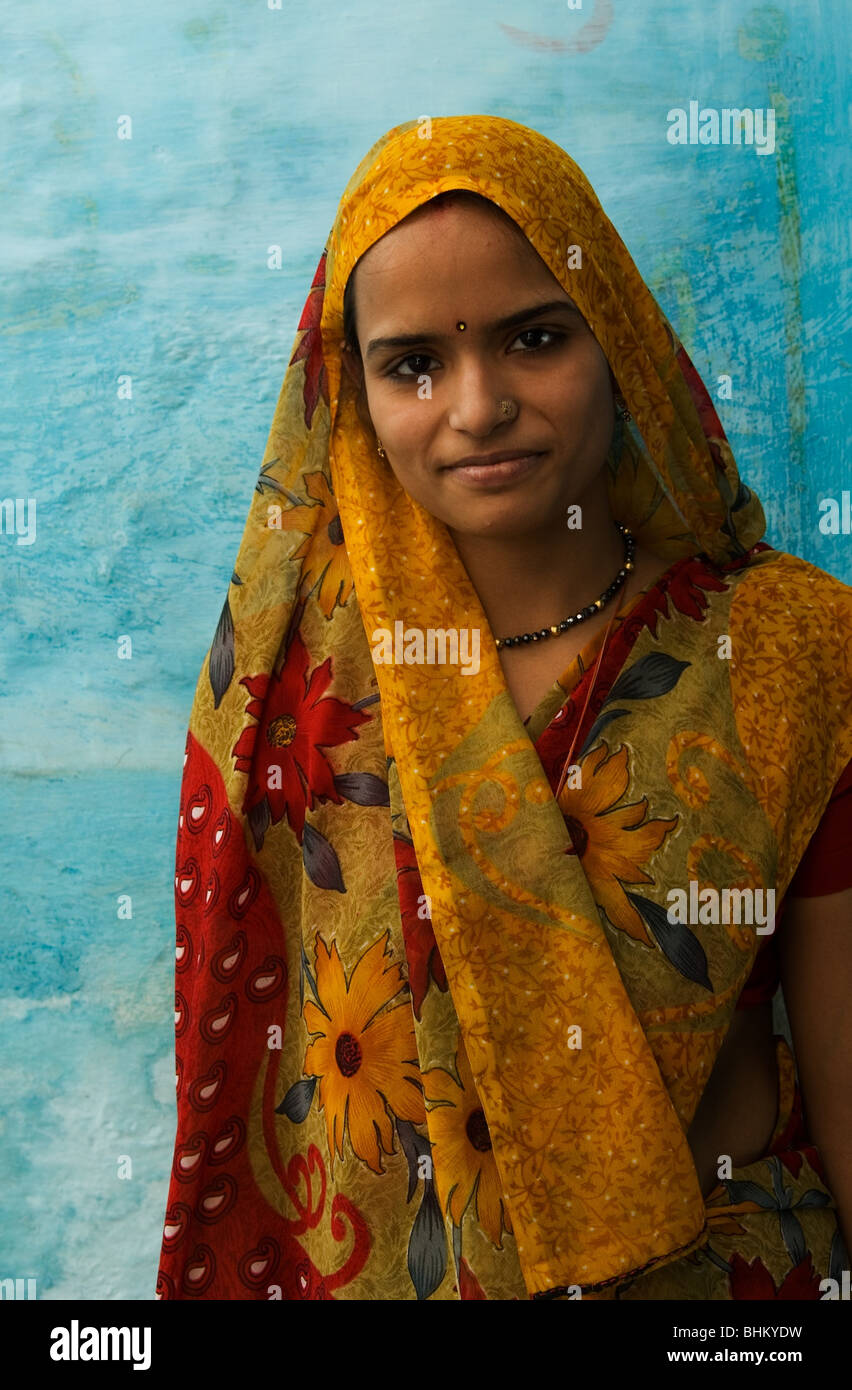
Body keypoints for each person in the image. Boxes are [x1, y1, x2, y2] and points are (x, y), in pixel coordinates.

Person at [157, 115, 852, 1301]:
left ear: (619, 341)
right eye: (413, 363)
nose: (477, 406)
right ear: (353, 396)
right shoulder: (300, 693)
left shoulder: (789, 651)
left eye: (536, 338)